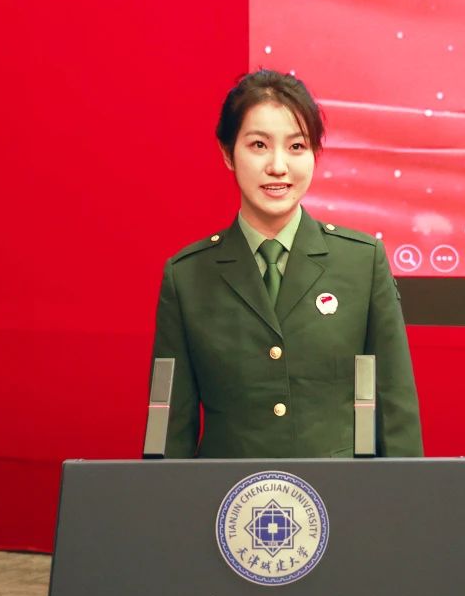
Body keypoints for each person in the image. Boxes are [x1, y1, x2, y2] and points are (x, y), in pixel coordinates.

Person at [150, 69, 422, 458]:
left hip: (339, 491)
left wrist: (404, 494)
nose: (278, 166)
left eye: (296, 146)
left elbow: (396, 409)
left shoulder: (362, 263)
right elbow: (170, 429)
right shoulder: (188, 276)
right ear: (228, 153)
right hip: (229, 494)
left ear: (314, 154)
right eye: (259, 145)